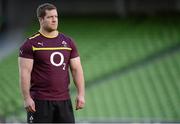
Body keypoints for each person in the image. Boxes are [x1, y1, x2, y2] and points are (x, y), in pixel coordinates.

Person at [18, 3, 85, 123]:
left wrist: (81, 94)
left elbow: (76, 69)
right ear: (41, 19)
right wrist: (27, 98)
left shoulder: (68, 42)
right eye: (50, 17)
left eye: (56, 16)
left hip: (64, 101)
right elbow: (25, 73)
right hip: (40, 101)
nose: (54, 20)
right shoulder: (30, 44)